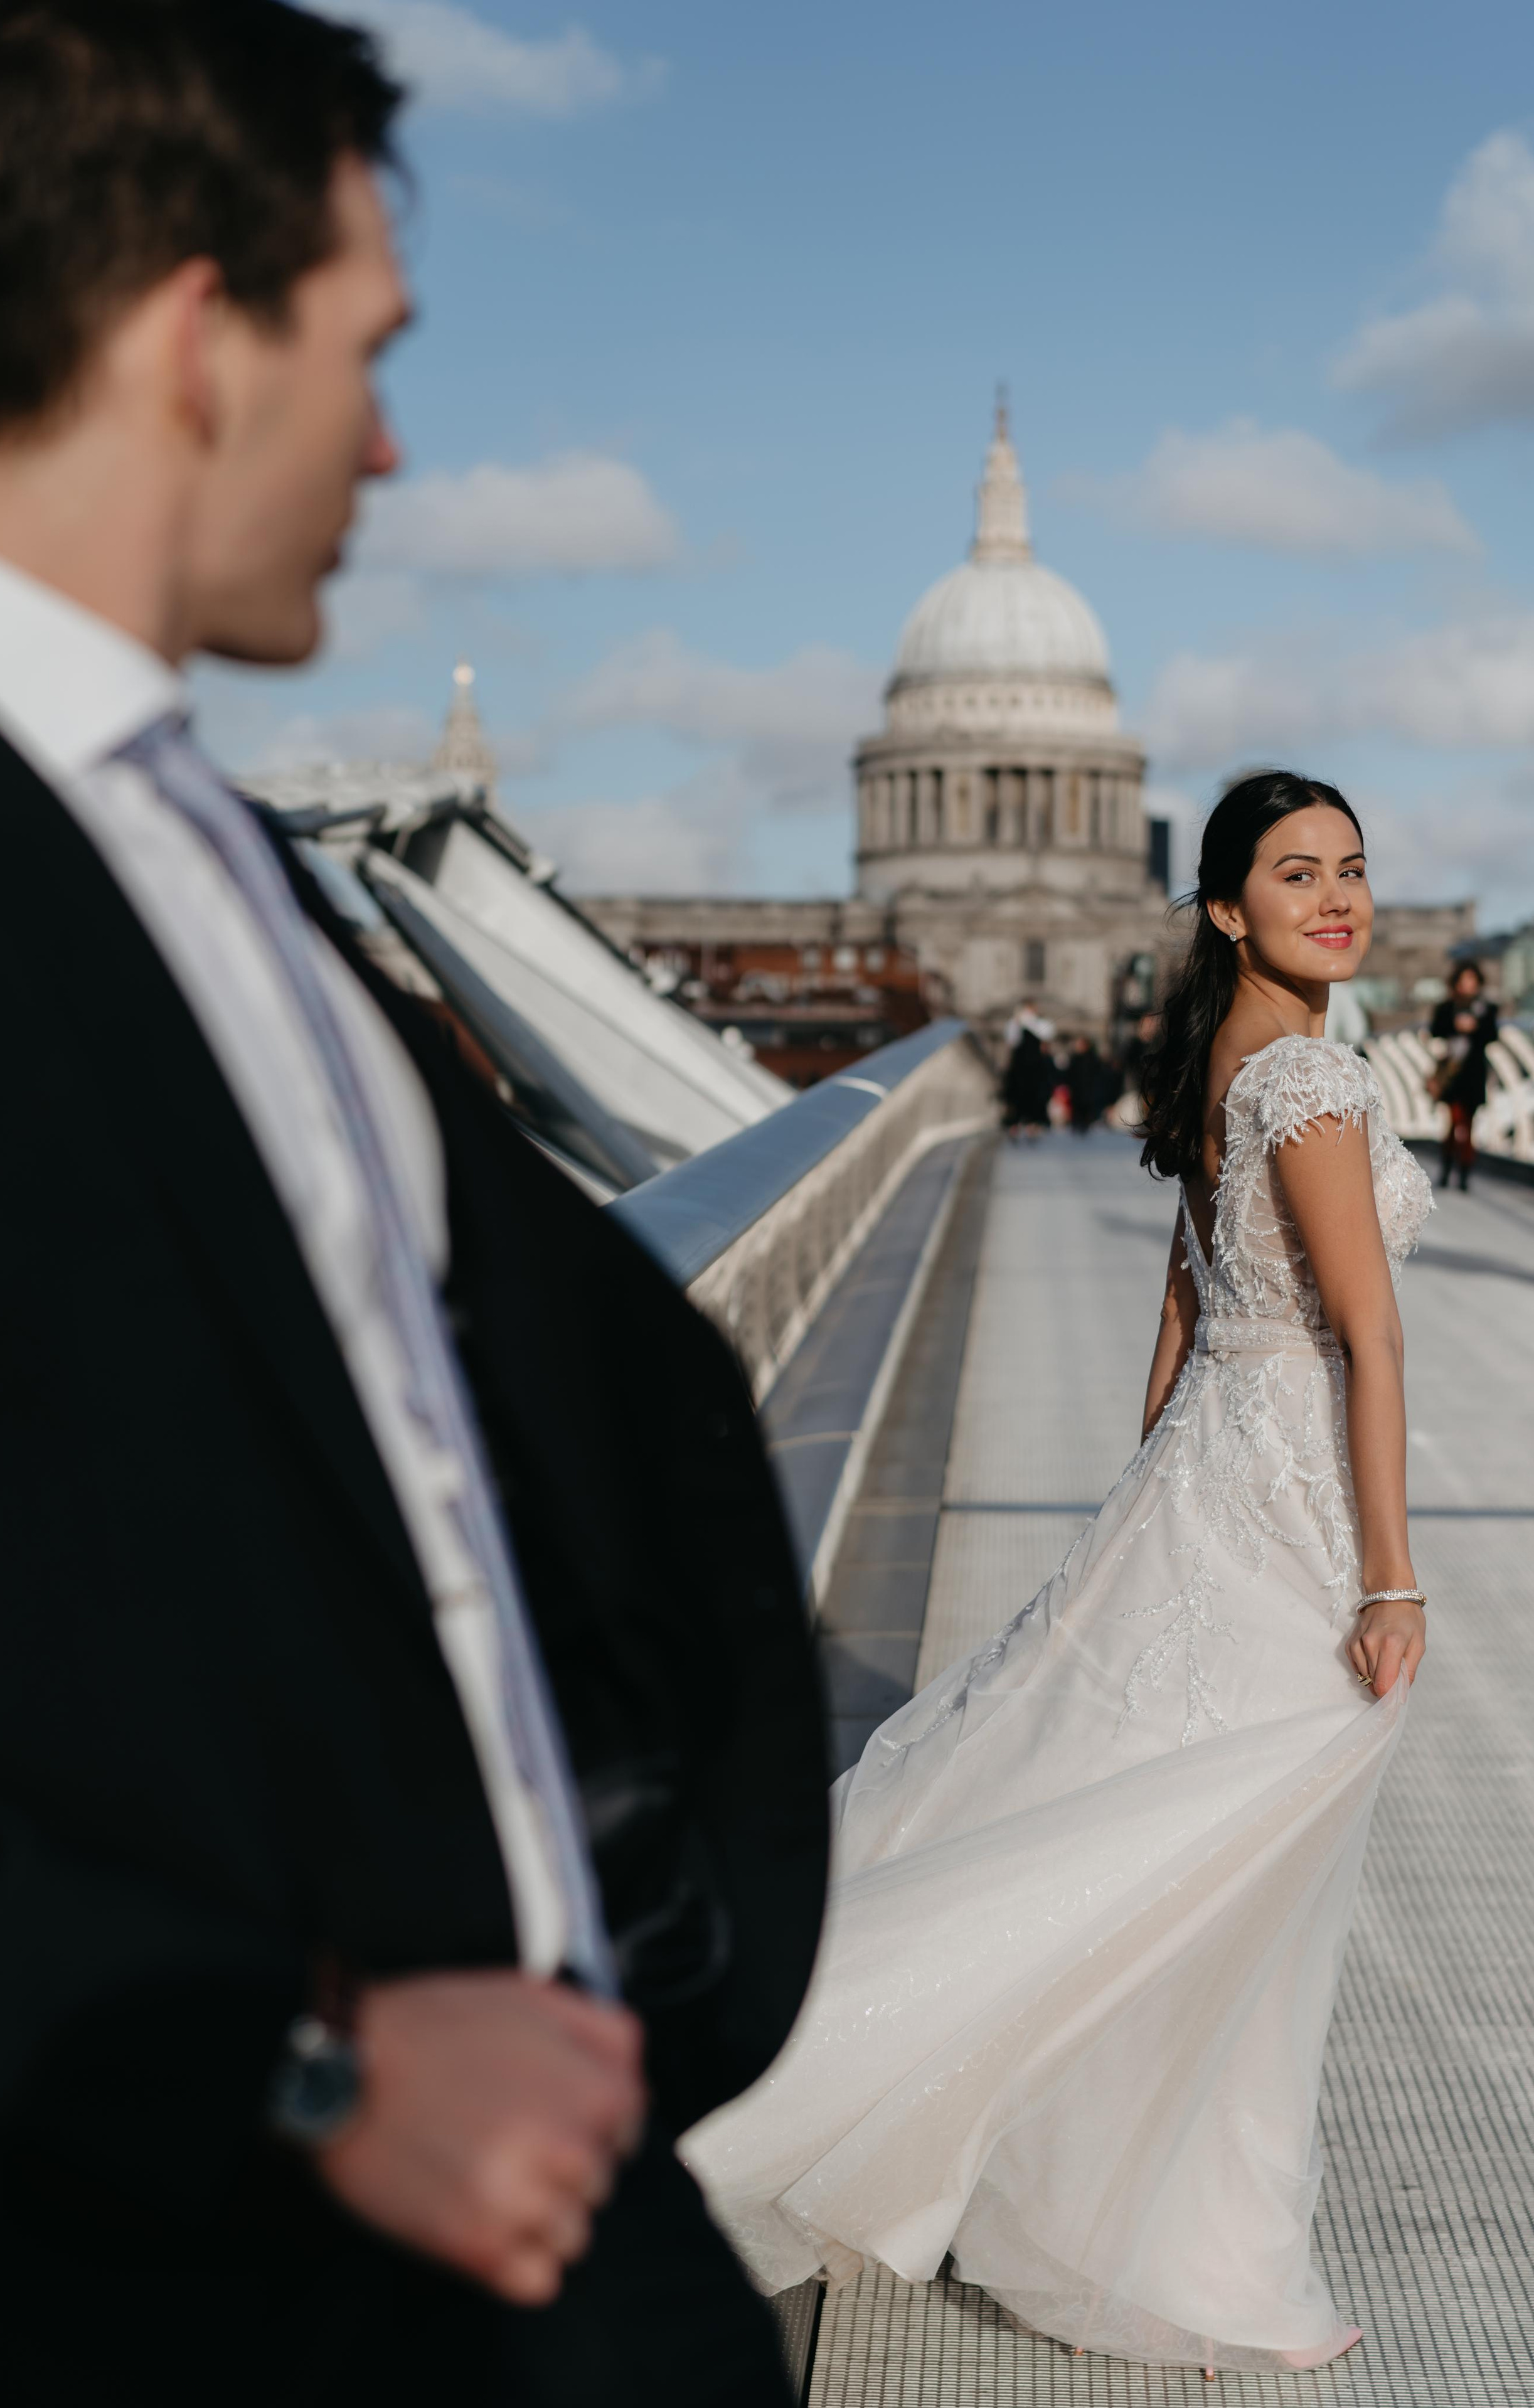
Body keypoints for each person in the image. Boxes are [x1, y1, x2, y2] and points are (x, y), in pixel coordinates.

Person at [0, 3, 829, 2399]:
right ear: (196, 339)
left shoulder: (198, 835)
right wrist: (298, 2063)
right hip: (171, 2236)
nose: (402, 439)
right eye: (372, 345)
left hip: (543, 2176)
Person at [680, 772, 1432, 2379]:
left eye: (1351, 869)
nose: (1336, 897)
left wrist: (1154, 1483)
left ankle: (1103, 2190)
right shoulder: (1306, 1074)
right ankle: (1151, 2223)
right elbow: (1364, 1335)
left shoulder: (1225, 1058)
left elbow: (1187, 1293)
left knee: (1116, 1806)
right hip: (1288, 1500)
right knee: (1196, 1842)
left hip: (1214, 1472)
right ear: (1223, 904)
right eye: (1294, 873)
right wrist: (1389, 1577)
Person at [1429, 959, 1498, 1191]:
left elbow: (1491, 1036)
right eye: (1464, 980)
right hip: (1452, 1073)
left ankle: (1463, 1174)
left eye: (1472, 981)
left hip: (1474, 1074)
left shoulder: (1487, 1009)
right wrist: (1456, 1026)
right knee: (1455, 1120)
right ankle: (1451, 1169)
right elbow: (1435, 1030)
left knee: (1468, 1123)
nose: (1468, 985)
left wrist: (1474, 1028)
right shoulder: (1447, 1008)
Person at [1003, 998, 1055, 1139]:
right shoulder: (1016, 1024)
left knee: (1034, 1096)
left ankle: (1032, 1125)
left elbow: (1047, 1035)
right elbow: (1012, 1040)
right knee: (1019, 1095)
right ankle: (1017, 1125)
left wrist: (1027, 1022)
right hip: (1021, 1067)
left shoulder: (1040, 1023)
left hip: (1034, 1067)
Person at [1065, 1032, 1104, 1134]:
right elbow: (1069, 1075)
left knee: (1087, 1113)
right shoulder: (1074, 1059)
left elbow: (1098, 1076)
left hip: (1089, 1092)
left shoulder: (1093, 1059)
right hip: (1077, 1092)